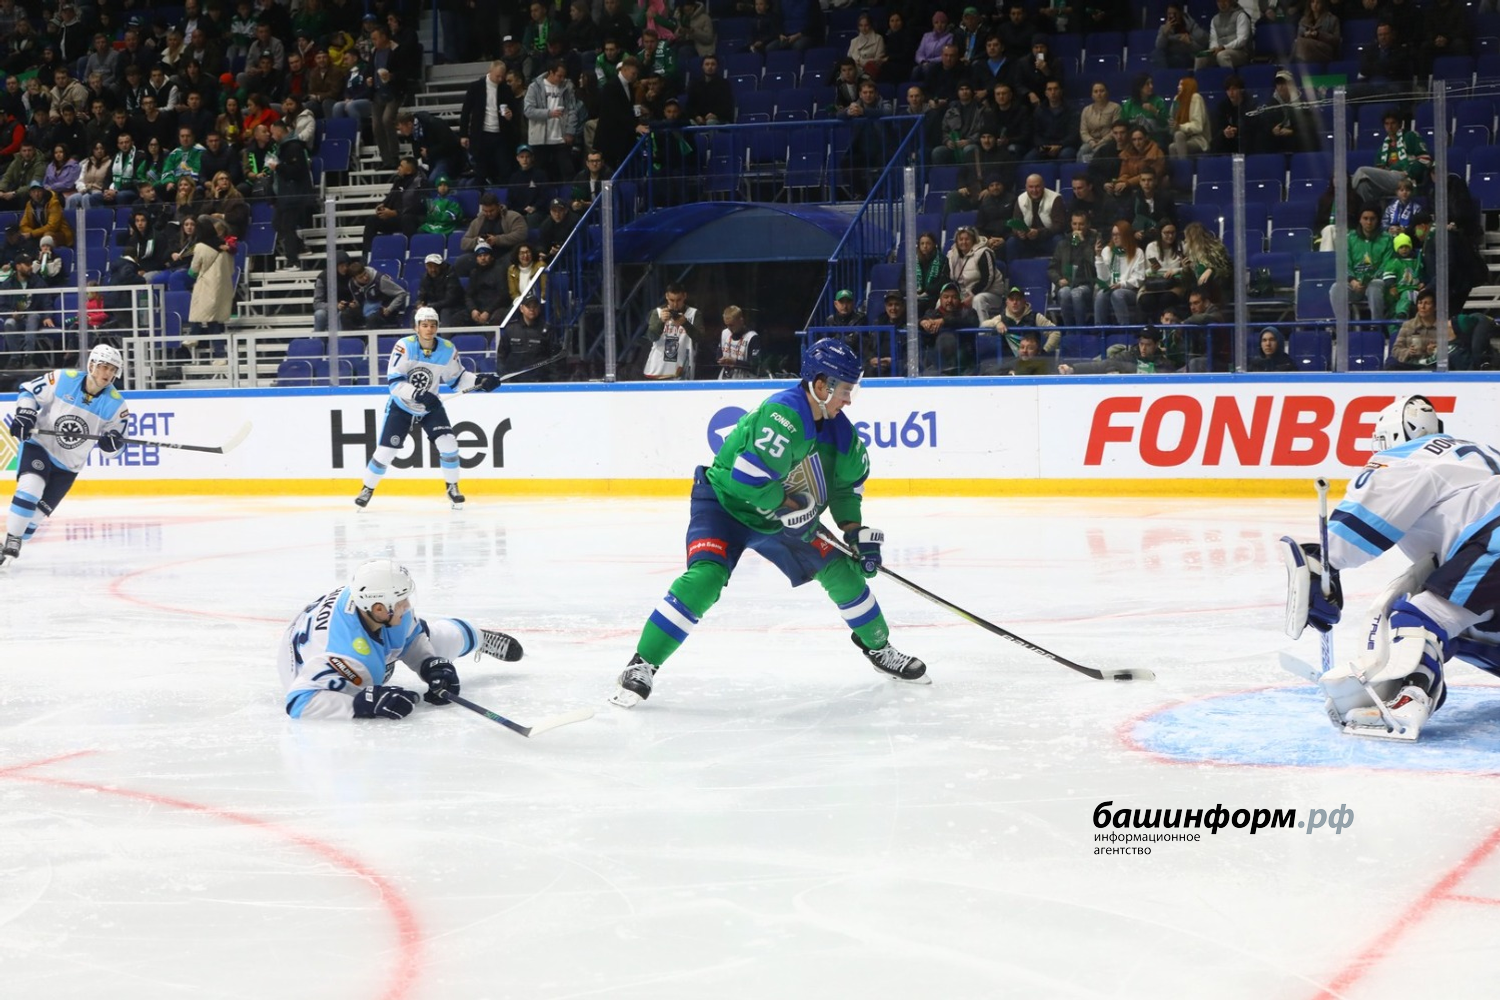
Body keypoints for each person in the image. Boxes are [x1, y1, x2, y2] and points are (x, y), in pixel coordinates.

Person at [611, 338, 926, 707]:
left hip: (781, 520)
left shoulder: (843, 436)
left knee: (841, 571)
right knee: (705, 578)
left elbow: (844, 490)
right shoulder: (783, 415)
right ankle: (642, 663)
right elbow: (747, 481)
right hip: (725, 507)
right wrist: (794, 510)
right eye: (844, 390)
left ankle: (879, 649)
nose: (848, 401)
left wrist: (854, 533)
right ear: (821, 385)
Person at [1283, 395, 1500, 740]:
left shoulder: (1409, 456)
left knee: (1421, 619)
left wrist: (1322, 565)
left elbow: (1352, 537)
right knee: (1468, 630)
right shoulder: (1477, 453)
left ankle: (1409, 697)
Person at [278, 558, 524, 721]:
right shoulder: (343, 656)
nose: (407, 606)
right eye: (400, 601)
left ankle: (477, 637)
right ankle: (383, 665)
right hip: (315, 666)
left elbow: (412, 638)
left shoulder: (371, 599)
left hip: (357, 644)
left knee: (438, 640)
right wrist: (362, 704)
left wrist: (429, 664)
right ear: (378, 608)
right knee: (367, 678)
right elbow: (300, 702)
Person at [354, 307, 502, 511]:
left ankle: (452, 487)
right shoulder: (404, 346)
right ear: (416, 327)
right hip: (402, 405)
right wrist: (419, 394)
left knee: (448, 444)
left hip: (430, 407)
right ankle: (367, 489)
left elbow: (457, 379)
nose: (429, 329)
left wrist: (480, 381)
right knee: (386, 452)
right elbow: (394, 384)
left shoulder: (447, 349)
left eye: (433, 325)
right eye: (424, 325)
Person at [2, 344, 129, 566]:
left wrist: (112, 444)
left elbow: (115, 450)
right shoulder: (63, 379)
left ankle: (5, 546)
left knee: (33, 521)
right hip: (39, 447)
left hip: (68, 466)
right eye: (104, 367)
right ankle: (12, 539)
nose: (107, 373)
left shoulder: (117, 405)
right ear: (91, 365)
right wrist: (25, 413)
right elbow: (28, 391)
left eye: (112, 369)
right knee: (31, 488)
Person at [1352, 109, 1431, 207]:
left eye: (1393, 123)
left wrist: (1408, 172)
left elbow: (1425, 159)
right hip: (1387, 180)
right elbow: (1379, 169)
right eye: (1387, 124)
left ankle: (1347, 189)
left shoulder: (1410, 136)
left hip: (1404, 177)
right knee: (1363, 184)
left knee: (1362, 171)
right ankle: (1371, 210)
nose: (1390, 127)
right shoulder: (1382, 149)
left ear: (1400, 124)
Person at [1094, 220, 1145, 331]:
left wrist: (1121, 284)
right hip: (1111, 287)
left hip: (1131, 290)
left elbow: (1139, 279)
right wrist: (1098, 257)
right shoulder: (1107, 250)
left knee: (1117, 294)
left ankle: (1125, 330)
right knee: (1101, 294)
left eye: (1118, 235)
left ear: (1126, 236)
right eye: (1113, 235)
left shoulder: (1138, 252)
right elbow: (1103, 278)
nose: (1115, 238)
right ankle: (1099, 331)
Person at [1050, 210, 1097, 331]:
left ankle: (1081, 330)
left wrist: (1083, 243)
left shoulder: (1094, 242)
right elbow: (1052, 268)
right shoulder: (1063, 244)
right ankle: (1070, 330)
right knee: (1064, 293)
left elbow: (1094, 263)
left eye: (1081, 224)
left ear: (1088, 225)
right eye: (1074, 224)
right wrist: (1058, 280)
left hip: (1087, 284)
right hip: (1067, 283)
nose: (1077, 228)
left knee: (1076, 293)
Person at [644, 282, 700, 379]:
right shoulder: (658, 312)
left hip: (682, 371)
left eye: (679, 300)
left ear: (684, 296)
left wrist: (685, 324)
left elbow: (700, 338)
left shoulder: (694, 313)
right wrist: (661, 322)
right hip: (658, 371)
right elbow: (651, 337)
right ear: (666, 296)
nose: (675, 304)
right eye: (672, 300)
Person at [497, 293, 557, 381]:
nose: (532, 309)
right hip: (514, 381)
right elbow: (501, 356)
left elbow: (554, 358)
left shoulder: (547, 330)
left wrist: (552, 380)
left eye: (534, 306)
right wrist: (504, 378)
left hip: (540, 381)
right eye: (528, 306)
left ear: (539, 308)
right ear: (521, 308)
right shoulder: (510, 330)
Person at [1198, 0, 1252, 69]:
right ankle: (1198, 76)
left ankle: (1230, 76)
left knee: (1222, 56)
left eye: (1224, 1)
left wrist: (1224, 48)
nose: (1222, 4)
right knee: (1200, 56)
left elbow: (1242, 40)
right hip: (1220, 51)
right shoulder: (1215, 19)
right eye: (1219, 1)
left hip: (1240, 52)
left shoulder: (1241, 15)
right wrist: (1213, 49)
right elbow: (1213, 39)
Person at [417, 253, 466, 328]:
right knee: (417, 312)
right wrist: (420, 304)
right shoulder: (425, 278)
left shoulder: (451, 276)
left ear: (441, 266)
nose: (433, 270)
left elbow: (450, 300)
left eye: (435, 266)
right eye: (430, 267)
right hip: (435, 306)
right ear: (426, 267)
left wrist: (430, 306)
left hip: (455, 307)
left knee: (445, 312)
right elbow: (422, 295)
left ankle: (446, 335)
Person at [716, 304, 760, 379]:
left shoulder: (752, 337)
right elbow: (718, 356)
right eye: (727, 325)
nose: (729, 328)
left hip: (745, 379)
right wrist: (722, 361)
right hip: (726, 377)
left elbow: (755, 364)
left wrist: (735, 362)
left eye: (732, 325)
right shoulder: (725, 333)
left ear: (741, 321)